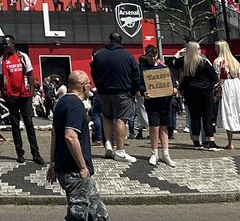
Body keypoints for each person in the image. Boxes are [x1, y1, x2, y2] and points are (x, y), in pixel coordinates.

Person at [46, 70, 109, 221]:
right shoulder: (75, 105)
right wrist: (82, 167)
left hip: (68, 168)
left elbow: (55, 134)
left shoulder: (62, 102)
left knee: (98, 213)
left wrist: (53, 163)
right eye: (89, 83)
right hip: (74, 171)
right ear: (83, 86)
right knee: (78, 215)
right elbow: (70, 136)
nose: (90, 86)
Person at [89, 31, 140, 163]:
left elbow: (93, 72)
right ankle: (120, 151)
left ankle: (108, 144)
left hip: (104, 92)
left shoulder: (99, 55)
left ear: (109, 40)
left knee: (106, 116)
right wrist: (134, 91)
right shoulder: (128, 56)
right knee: (121, 119)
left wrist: (99, 87)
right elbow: (136, 76)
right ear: (121, 41)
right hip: (123, 92)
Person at [0, 34, 45, 165]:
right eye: (3, 44)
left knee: (29, 124)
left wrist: (31, 92)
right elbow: (0, 75)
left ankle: (35, 153)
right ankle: (19, 153)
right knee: (15, 125)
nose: (5, 46)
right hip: (11, 97)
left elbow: (30, 74)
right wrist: (5, 95)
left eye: (7, 43)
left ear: (13, 43)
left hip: (24, 96)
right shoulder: (2, 60)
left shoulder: (23, 57)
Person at [169, 41, 218, 149]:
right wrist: (210, 84)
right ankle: (210, 141)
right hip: (205, 91)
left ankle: (196, 141)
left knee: (194, 117)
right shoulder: (204, 62)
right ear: (196, 50)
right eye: (199, 48)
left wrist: (178, 52)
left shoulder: (184, 61)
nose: (200, 50)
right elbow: (214, 76)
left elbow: (172, 62)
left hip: (190, 92)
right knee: (207, 116)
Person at [213, 40, 240, 150]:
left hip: (226, 85)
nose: (214, 49)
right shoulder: (234, 61)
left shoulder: (217, 61)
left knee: (229, 111)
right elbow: (239, 77)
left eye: (216, 47)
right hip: (237, 85)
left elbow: (218, 78)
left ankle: (230, 143)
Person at [139, 47, 175, 167]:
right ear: (146, 56)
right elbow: (140, 84)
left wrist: (174, 89)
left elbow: (172, 82)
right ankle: (154, 152)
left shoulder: (164, 68)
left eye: (154, 56)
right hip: (152, 103)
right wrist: (144, 92)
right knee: (154, 127)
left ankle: (166, 153)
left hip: (164, 102)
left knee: (164, 127)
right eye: (150, 56)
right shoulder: (143, 69)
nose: (152, 58)